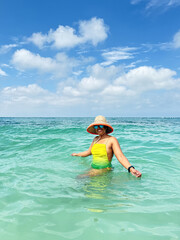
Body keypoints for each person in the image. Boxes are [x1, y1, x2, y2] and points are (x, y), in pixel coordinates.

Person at [71, 115, 142, 178]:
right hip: (93, 168)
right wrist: (77, 154)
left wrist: (131, 168)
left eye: (101, 126)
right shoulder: (96, 139)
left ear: (105, 127)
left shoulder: (111, 140)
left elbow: (120, 156)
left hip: (104, 170)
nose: (99, 128)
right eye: (96, 126)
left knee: (79, 178)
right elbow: (89, 152)